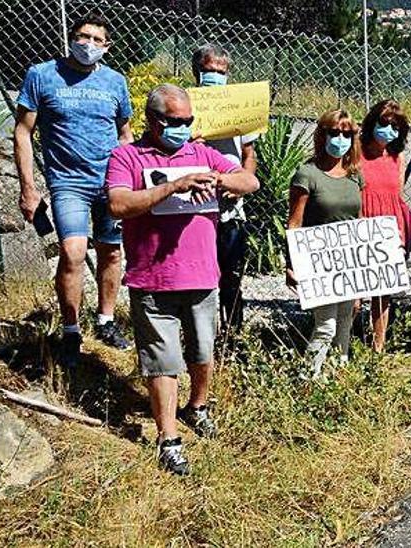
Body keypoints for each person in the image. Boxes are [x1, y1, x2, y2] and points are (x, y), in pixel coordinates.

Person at [104, 84, 259, 475]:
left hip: (203, 274)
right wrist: (172, 186)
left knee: (203, 352)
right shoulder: (127, 157)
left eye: (188, 121)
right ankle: (168, 438)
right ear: (152, 120)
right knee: (162, 361)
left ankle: (198, 406)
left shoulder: (202, 153)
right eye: (175, 122)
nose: (183, 128)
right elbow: (119, 204)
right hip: (152, 278)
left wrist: (216, 180)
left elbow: (249, 182)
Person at [15, 14, 134, 365]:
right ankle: (70, 330)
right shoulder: (42, 75)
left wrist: (131, 179)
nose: (89, 45)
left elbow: (125, 134)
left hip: (111, 181)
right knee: (72, 252)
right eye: (83, 37)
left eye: (98, 40)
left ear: (107, 46)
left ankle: (105, 320)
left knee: (111, 252)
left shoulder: (115, 81)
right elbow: (23, 132)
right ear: (71, 38)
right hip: (69, 183)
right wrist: (28, 188)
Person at [286, 109, 363, 377]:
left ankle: (337, 377)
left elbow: (359, 220)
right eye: (334, 132)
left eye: (347, 133)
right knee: (326, 325)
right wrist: (291, 264)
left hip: (349, 262)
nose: (340, 138)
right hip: (318, 260)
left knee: (346, 322)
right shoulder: (307, 174)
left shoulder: (355, 175)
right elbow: (294, 224)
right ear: (323, 135)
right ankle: (308, 377)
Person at [191, 44, 260, 340]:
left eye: (220, 72)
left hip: (231, 205)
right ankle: (199, 335)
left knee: (231, 276)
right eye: (209, 71)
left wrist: (243, 183)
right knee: (198, 277)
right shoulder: (185, 106)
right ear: (197, 72)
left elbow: (249, 154)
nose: (215, 76)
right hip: (194, 202)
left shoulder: (239, 107)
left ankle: (232, 335)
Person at [359, 99, 411, 353]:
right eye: (384, 123)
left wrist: (399, 232)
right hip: (362, 221)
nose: (389, 130)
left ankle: (378, 346)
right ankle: (343, 342)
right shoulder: (356, 151)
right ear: (373, 122)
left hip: (389, 225)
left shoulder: (397, 156)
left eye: (395, 126)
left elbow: (396, 194)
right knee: (354, 294)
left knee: (382, 293)